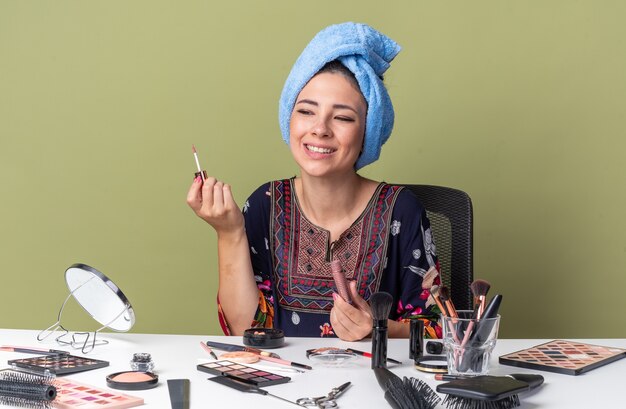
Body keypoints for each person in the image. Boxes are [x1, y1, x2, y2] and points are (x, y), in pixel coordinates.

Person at [187, 22, 441, 341]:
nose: (320, 129)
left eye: (343, 117)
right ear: (288, 119)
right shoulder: (265, 203)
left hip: (373, 387)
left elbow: (442, 330)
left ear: (368, 132)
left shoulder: (402, 210)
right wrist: (229, 232)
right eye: (307, 111)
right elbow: (246, 330)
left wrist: (379, 328)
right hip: (285, 386)